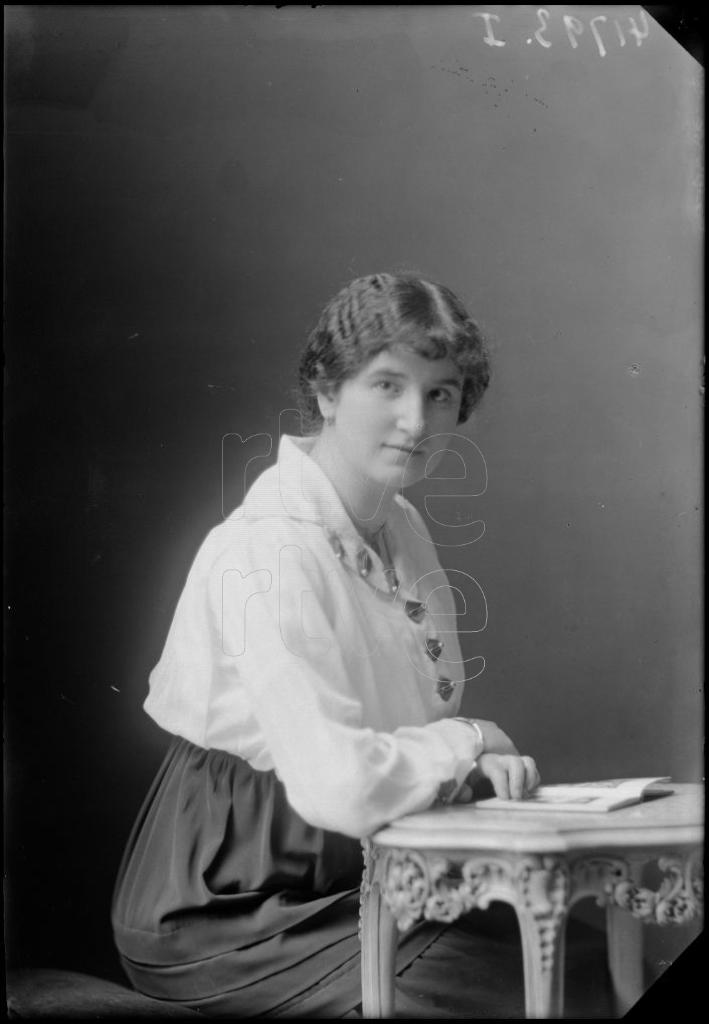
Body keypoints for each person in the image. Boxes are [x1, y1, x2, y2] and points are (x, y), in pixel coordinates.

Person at [111, 272, 541, 1017]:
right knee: (505, 988)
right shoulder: (265, 548)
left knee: (576, 951)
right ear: (326, 391)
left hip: (357, 872)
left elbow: (393, 720)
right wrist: (463, 742)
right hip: (226, 905)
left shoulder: (399, 526)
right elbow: (336, 781)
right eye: (387, 385)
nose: (415, 418)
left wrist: (470, 764)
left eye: (439, 393)